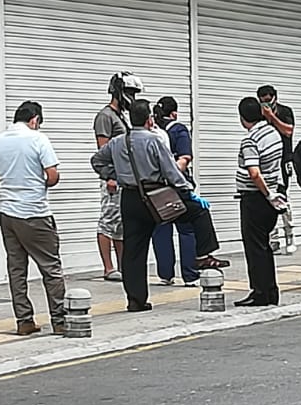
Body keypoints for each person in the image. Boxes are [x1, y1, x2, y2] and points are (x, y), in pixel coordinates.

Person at [91, 100, 228, 312]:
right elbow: (171, 171)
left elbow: (97, 161)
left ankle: (136, 300)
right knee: (198, 212)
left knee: (134, 250)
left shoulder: (117, 142)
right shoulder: (154, 141)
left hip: (129, 198)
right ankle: (202, 255)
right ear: (149, 119)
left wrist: (115, 176)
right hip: (156, 196)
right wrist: (188, 192)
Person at [0, 101, 67, 336]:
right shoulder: (38, 139)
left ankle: (24, 321)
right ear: (35, 120)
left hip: (7, 215)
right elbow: (52, 176)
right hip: (35, 214)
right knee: (51, 267)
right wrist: (36, 182)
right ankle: (59, 320)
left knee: (16, 269)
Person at [236, 96, 287, 306]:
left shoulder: (250, 139)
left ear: (242, 118)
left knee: (254, 247)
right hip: (271, 196)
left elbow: (254, 173)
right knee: (264, 246)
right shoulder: (273, 133)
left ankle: (259, 293)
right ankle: (270, 291)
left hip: (256, 198)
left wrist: (267, 194)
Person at [93, 72, 141, 282]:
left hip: (125, 177)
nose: (133, 97)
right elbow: (102, 150)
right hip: (113, 178)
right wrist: (110, 176)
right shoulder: (105, 116)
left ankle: (123, 266)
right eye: (130, 92)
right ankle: (108, 267)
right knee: (108, 221)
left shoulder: (122, 116)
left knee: (120, 223)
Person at [149, 96, 198, 287]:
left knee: (161, 228)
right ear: (174, 113)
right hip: (177, 186)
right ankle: (190, 275)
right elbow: (184, 159)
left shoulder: (150, 132)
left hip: (156, 187)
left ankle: (165, 274)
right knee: (186, 229)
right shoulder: (179, 130)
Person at [257, 85, 297, 255]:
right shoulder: (258, 114)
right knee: (267, 196)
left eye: (268, 100)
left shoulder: (284, 111)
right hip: (264, 160)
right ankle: (273, 239)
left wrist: (272, 117)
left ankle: (290, 235)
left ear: (274, 98)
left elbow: (288, 131)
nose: (265, 104)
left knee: (282, 195)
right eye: (262, 101)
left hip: (282, 160)